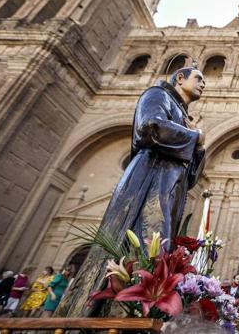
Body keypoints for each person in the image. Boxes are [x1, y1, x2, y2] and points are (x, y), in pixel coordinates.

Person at [58, 67, 207, 317]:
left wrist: (199, 147)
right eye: (199, 79)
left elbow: (190, 177)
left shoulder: (183, 115)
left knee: (160, 245)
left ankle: (141, 309)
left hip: (170, 188)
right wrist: (194, 136)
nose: (203, 84)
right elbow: (149, 127)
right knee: (145, 240)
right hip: (150, 181)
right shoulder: (157, 95)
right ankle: (121, 310)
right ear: (180, 79)